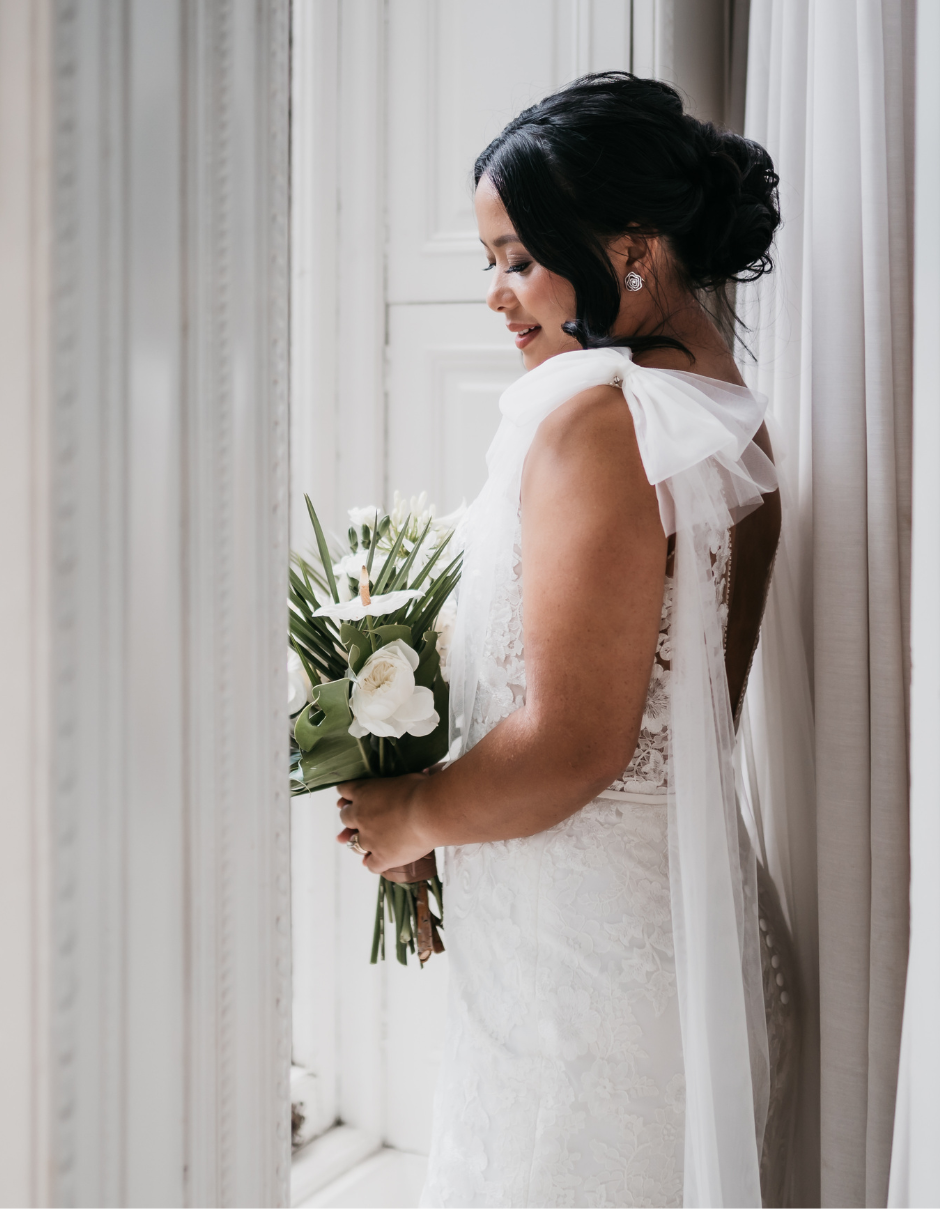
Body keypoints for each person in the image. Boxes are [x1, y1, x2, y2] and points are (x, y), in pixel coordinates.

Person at [336, 73, 785, 1208]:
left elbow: (581, 742)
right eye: (489, 259)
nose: (495, 294)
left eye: (519, 259)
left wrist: (411, 814)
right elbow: (681, 720)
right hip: (656, 938)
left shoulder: (599, 420)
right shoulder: (726, 423)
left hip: (584, 997)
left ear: (633, 250)